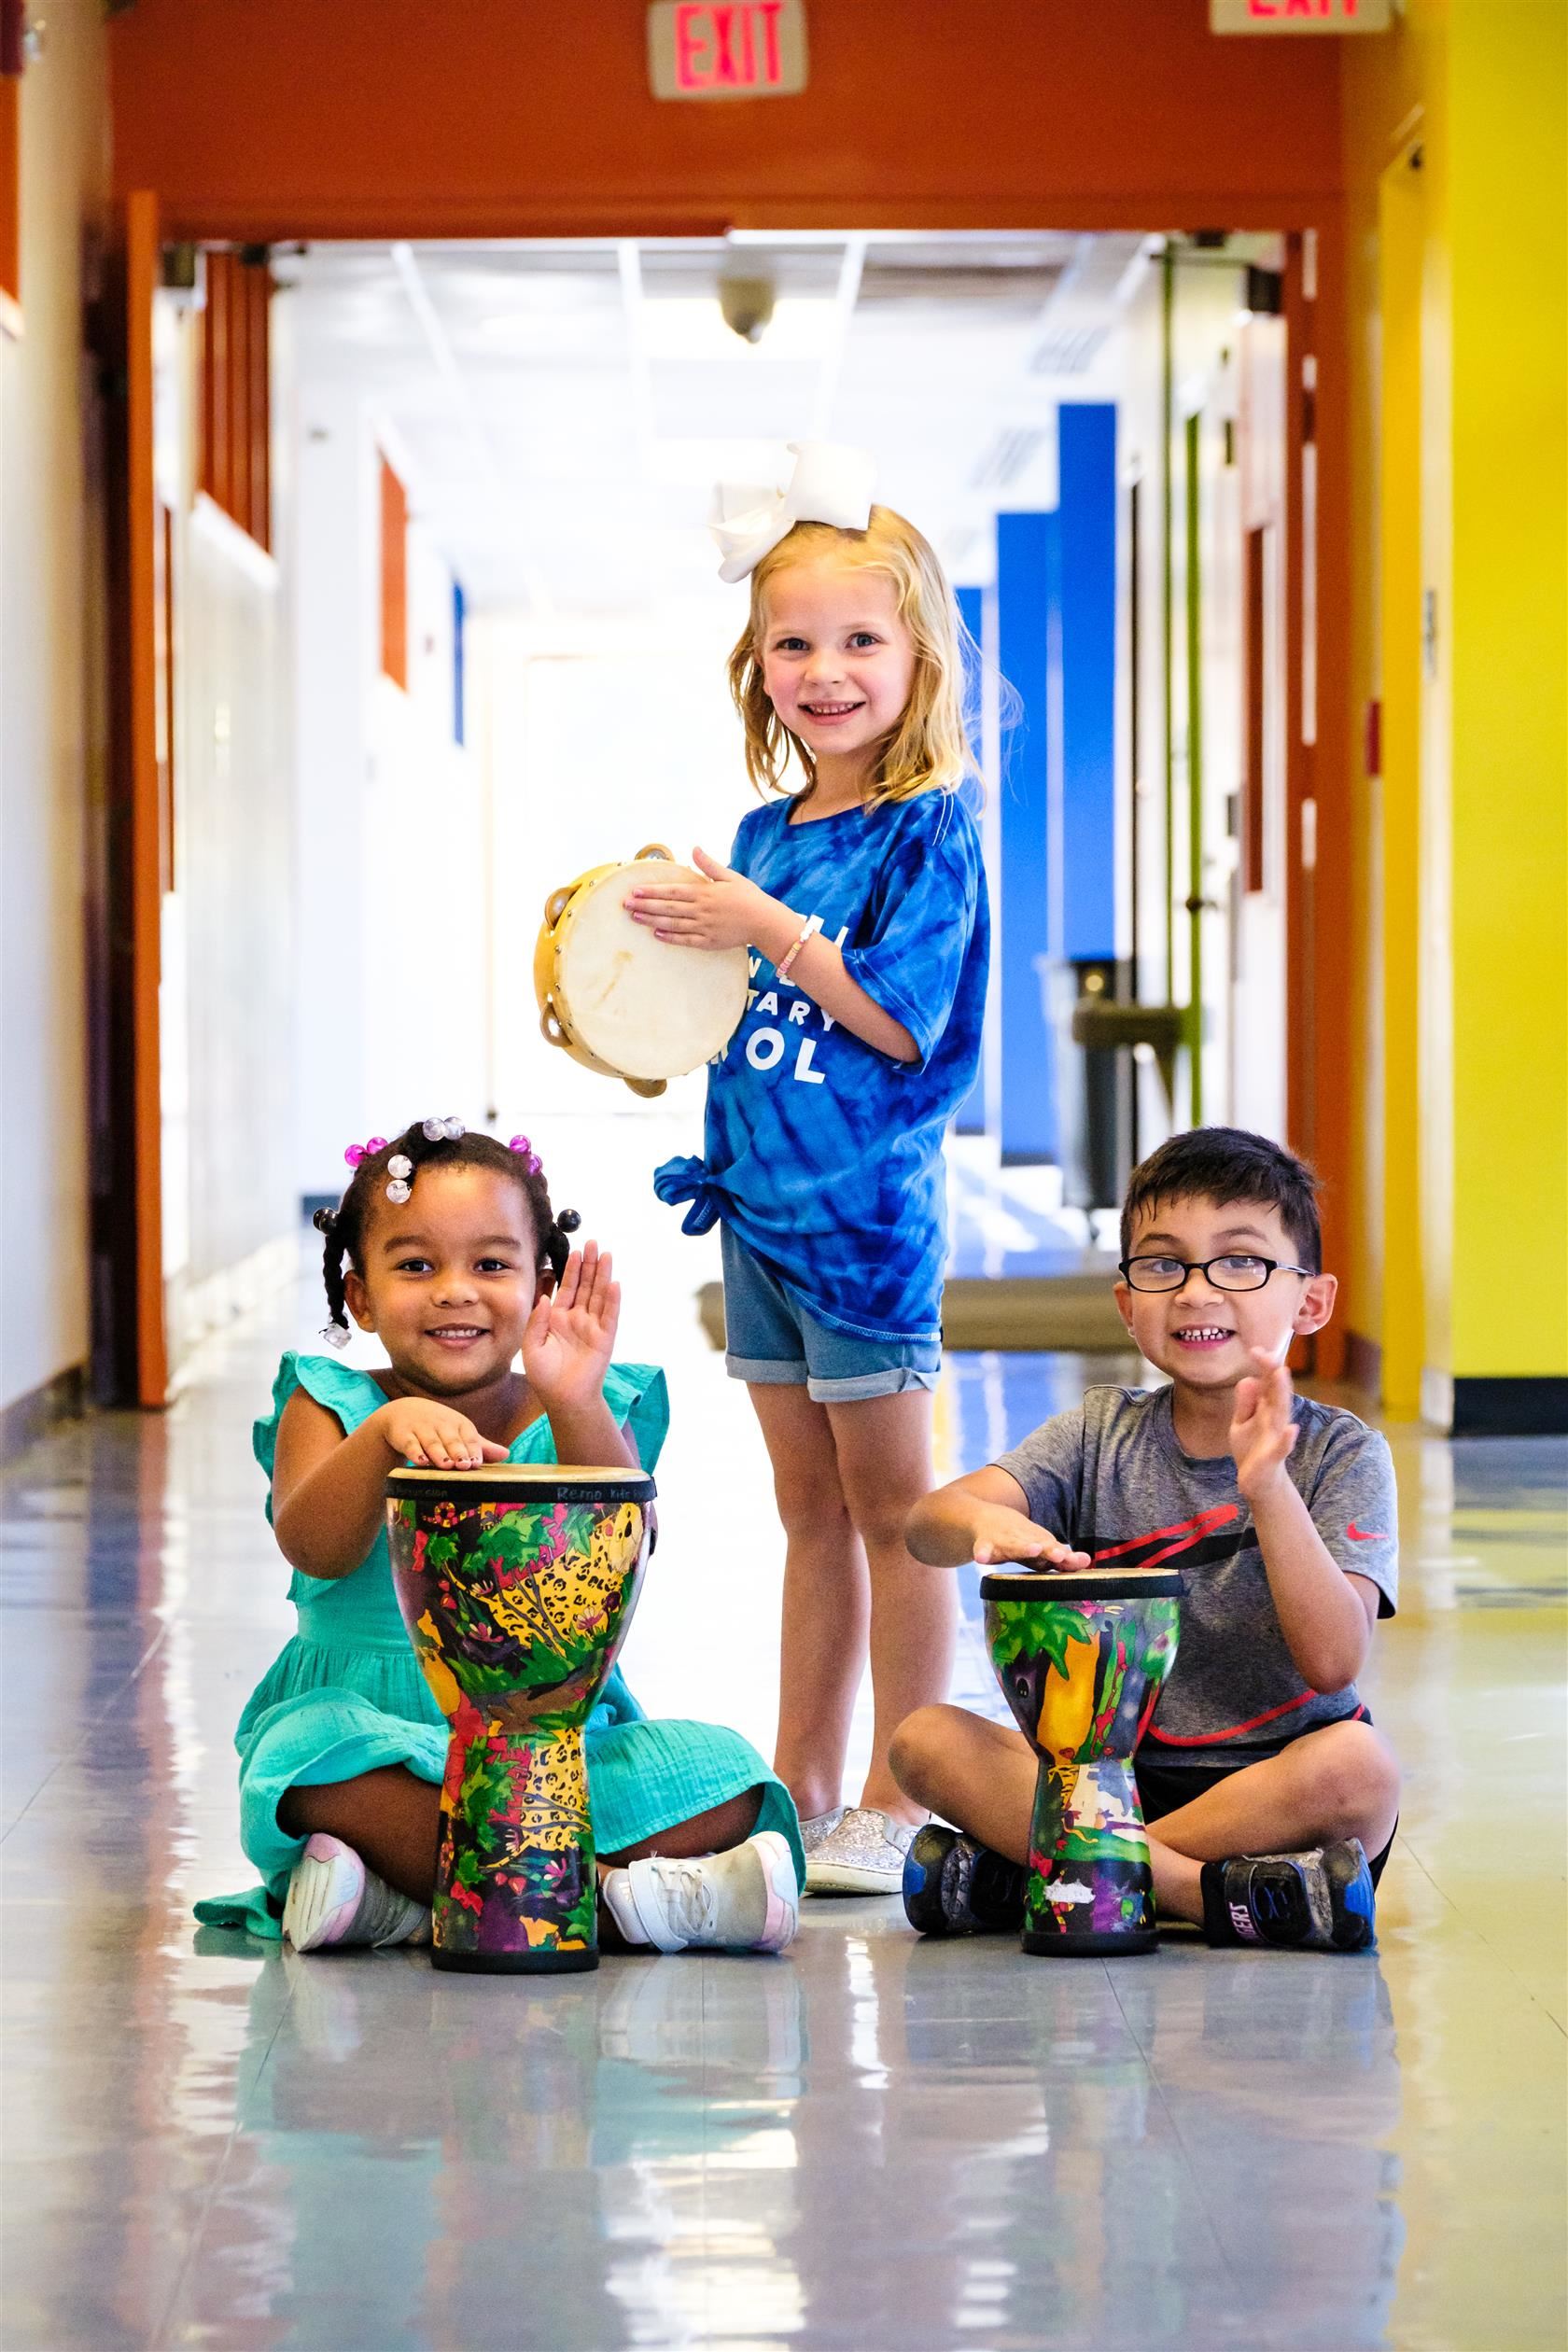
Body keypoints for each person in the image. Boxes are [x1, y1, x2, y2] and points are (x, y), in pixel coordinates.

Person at [626, 444, 989, 1896]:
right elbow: (738, 1005)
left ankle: (909, 1787)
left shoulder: (930, 825)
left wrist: (758, 920)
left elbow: (898, 1015)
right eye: (794, 642)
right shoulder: (775, 831)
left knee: (898, 1518)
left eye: (859, 639)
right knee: (805, 1514)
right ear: (755, 661)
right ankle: (805, 1779)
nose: (825, 670)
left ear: (917, 656)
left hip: (864, 1224)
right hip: (760, 1217)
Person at [193, 1117, 804, 1958]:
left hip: (554, 1739)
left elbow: (623, 1552)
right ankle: (621, 1903)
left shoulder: (581, 1405)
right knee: (301, 1758)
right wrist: (383, 1437)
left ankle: (410, 1897)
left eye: (491, 1264)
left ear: (542, 1287)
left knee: (727, 1774)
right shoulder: (328, 1401)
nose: (455, 1290)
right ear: (360, 1294)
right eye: (416, 1266)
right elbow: (315, 1548)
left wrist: (576, 1399)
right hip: (373, 1723)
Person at [891, 1127, 1401, 1953]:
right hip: (1102, 1777)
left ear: (1311, 1301)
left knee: (1361, 1771)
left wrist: (1267, 1488)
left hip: (1273, 1794)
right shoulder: (1099, 1432)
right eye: (1163, 1265)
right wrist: (986, 1521)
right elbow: (926, 1524)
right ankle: (1201, 1895)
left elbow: (1335, 1663)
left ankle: (1053, 1879)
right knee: (926, 1742)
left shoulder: (1341, 1452)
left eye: (1240, 1262)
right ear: (1129, 1304)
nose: (1198, 1292)